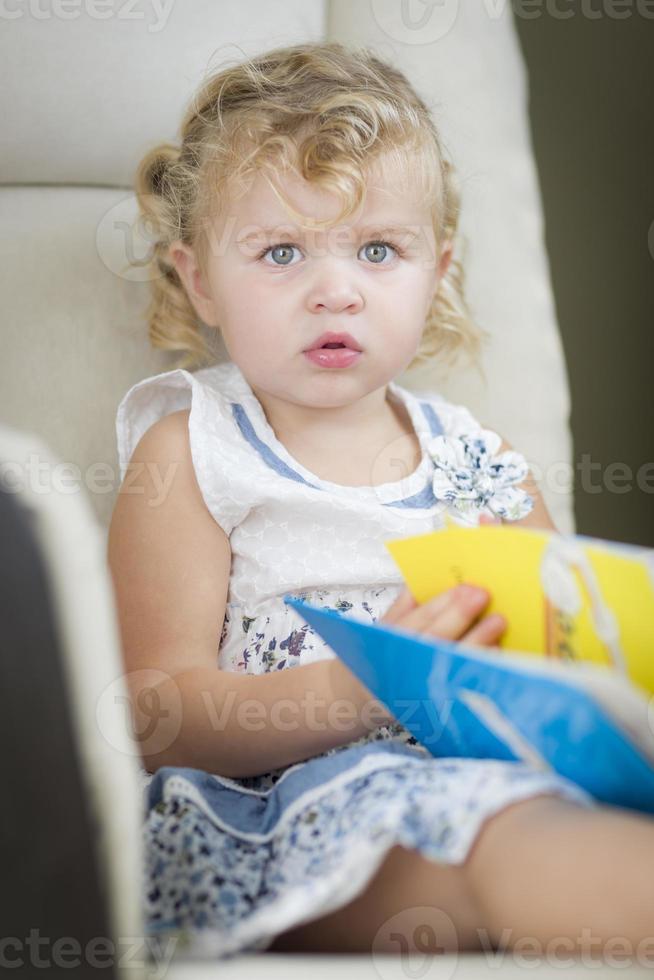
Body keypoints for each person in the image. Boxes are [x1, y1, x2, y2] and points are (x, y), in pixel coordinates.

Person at [107, 42, 654, 963]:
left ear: (435, 270)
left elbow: (571, 650)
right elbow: (155, 715)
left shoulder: (480, 461)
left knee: (539, 806)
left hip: (486, 775)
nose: (335, 290)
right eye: (281, 251)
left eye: (377, 250)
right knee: (501, 833)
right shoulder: (192, 449)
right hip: (276, 817)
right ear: (199, 278)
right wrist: (358, 687)